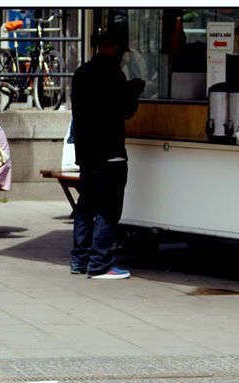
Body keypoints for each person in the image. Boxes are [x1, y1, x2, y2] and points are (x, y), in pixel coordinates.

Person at [70, 26, 144, 279]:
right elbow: (125, 109)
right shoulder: (113, 73)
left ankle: (79, 260)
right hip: (110, 151)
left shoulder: (81, 72)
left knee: (86, 206)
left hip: (86, 152)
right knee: (108, 208)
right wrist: (134, 90)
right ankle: (100, 263)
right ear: (113, 47)